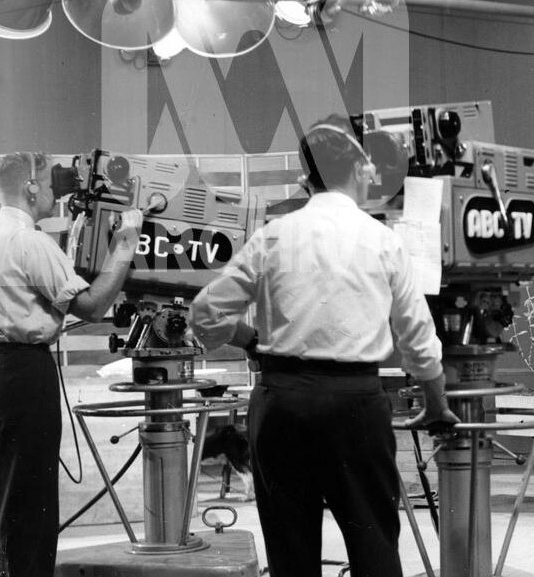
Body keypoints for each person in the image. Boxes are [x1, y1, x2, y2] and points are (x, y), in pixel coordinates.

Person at [190, 115, 458, 577]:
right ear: (357, 170)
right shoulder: (383, 241)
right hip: (356, 406)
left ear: (305, 178)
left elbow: (204, 314)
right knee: (374, 545)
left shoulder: (272, 236)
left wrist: (251, 340)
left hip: (281, 405)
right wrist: (436, 404)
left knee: (290, 552)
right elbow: (419, 338)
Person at [0, 152, 142, 576]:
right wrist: (125, 244)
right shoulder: (28, 241)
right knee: (30, 498)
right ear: (29, 186)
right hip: (22, 373)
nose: (54, 190)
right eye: (47, 180)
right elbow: (94, 305)